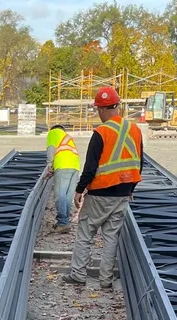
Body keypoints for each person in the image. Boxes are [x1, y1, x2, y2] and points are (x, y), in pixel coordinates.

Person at [64, 87, 143, 290]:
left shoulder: (101, 133)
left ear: (100, 109)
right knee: (111, 237)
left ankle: (78, 274)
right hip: (123, 193)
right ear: (117, 106)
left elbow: (90, 168)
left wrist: (79, 190)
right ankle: (105, 280)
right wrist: (131, 187)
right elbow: (139, 161)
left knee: (85, 232)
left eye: (97, 109)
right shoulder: (134, 129)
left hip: (100, 193)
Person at [44, 124, 80, 231]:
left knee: (60, 194)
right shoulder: (68, 137)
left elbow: (51, 149)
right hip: (75, 166)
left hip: (63, 165)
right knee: (67, 196)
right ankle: (65, 221)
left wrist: (50, 166)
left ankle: (63, 223)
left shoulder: (53, 133)